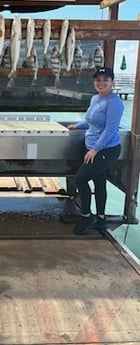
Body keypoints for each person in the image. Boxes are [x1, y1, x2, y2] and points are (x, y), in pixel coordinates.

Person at [68, 67, 124, 235]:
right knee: (100, 182)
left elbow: (109, 129)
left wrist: (94, 150)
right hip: (93, 147)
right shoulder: (95, 99)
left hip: (106, 149)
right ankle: (101, 218)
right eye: (98, 80)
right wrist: (77, 126)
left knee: (80, 179)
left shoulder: (114, 102)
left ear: (112, 83)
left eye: (105, 80)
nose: (101, 83)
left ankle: (86, 216)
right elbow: (91, 121)